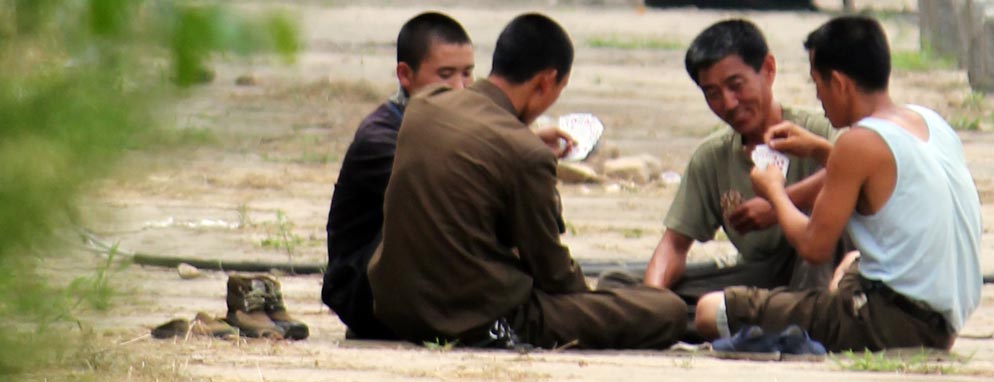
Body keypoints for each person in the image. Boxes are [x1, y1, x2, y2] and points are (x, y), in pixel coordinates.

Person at [368, 13, 687, 350]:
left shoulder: (424, 107)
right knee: (667, 310)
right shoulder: (526, 154)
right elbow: (553, 273)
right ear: (546, 82)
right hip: (476, 318)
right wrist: (591, 304)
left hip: (395, 310)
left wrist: (526, 138)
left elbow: (482, 141)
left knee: (622, 289)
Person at [693, 16, 983, 352]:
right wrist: (817, 148)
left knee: (710, 311)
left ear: (840, 84)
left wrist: (774, 191)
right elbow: (886, 173)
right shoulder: (927, 122)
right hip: (942, 324)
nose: (818, 97)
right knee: (850, 266)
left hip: (887, 324)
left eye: (818, 85)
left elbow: (814, 246)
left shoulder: (857, 142)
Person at [641, 19, 846, 308]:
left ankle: (797, 318)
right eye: (712, 93)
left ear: (768, 70)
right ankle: (753, 316)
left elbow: (854, 169)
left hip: (819, 269)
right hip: (758, 279)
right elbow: (674, 244)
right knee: (625, 284)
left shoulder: (821, 129)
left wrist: (778, 205)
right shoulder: (712, 157)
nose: (728, 102)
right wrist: (651, 301)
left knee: (827, 231)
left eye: (736, 86)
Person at [322, 12, 475, 340]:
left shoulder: (449, 126)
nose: (460, 88)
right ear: (405, 75)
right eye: (445, 75)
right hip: (364, 291)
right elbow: (454, 198)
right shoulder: (381, 138)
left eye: (467, 74)